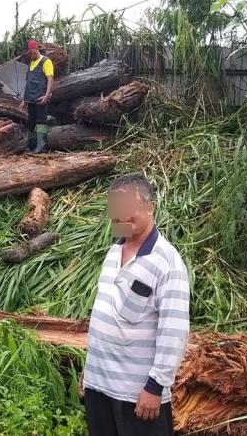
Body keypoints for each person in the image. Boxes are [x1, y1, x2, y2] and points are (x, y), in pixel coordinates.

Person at [81, 173, 190, 436]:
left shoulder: (167, 262)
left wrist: (155, 386)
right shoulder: (112, 253)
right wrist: (88, 369)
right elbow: (103, 316)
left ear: (151, 207)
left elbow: (174, 332)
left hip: (137, 396)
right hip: (99, 387)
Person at [19, 39, 54, 153]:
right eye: (28, 53)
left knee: (41, 122)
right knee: (31, 122)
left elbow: (50, 79)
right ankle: (32, 146)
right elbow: (28, 82)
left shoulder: (46, 61)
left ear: (36, 48)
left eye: (31, 52)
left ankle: (41, 146)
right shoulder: (30, 65)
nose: (29, 54)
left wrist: (46, 96)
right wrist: (24, 100)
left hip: (41, 98)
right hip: (30, 99)